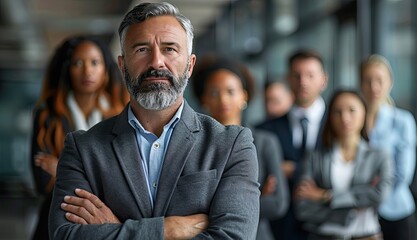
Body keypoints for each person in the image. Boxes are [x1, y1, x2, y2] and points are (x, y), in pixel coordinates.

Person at [48, 2, 260, 240]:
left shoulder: (232, 145)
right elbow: (65, 235)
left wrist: (117, 228)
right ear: (122, 65)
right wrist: (168, 229)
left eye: (169, 49)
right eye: (141, 50)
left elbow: (233, 237)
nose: (156, 62)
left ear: (189, 66)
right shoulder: (83, 148)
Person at [30, 35, 127, 240]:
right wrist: (100, 178)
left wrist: (62, 169)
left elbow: (126, 183)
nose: (87, 71)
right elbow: (42, 181)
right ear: (67, 69)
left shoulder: (121, 115)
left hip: (106, 225)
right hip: (55, 220)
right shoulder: (48, 115)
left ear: (105, 69)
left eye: (95, 62)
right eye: (78, 63)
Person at [191, 56, 289, 240]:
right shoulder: (194, 144)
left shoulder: (265, 142)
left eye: (230, 91)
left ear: (244, 96)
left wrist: (211, 207)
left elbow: (278, 203)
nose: (223, 99)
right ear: (203, 99)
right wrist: (253, 198)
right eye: (214, 92)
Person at [295, 89, 393, 240]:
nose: (345, 117)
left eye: (352, 110)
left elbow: (380, 195)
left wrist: (326, 196)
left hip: (367, 236)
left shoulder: (379, 156)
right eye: (337, 112)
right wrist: (351, 210)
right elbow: (303, 206)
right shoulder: (315, 157)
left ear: (364, 113)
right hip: (322, 236)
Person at [257, 49, 328, 240]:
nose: (303, 82)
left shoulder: (340, 125)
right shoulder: (266, 130)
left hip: (328, 224)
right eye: (297, 75)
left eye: (310, 75)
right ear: (288, 79)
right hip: (280, 228)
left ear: (324, 80)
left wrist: (292, 169)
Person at [360, 54, 417, 240]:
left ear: (390, 83)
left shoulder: (402, 121)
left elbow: (402, 174)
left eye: (379, 80)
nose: (374, 87)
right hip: (359, 214)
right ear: (360, 84)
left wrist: (365, 192)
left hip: (395, 211)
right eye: (368, 81)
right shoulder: (353, 120)